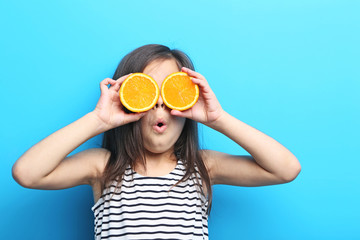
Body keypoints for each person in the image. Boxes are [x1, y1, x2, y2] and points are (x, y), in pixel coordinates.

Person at [12, 44, 301, 239]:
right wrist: (98, 120)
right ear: (128, 101)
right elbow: (27, 173)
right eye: (148, 93)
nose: (160, 104)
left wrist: (218, 118)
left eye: (173, 93)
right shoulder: (103, 167)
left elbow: (286, 168)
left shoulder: (202, 167)